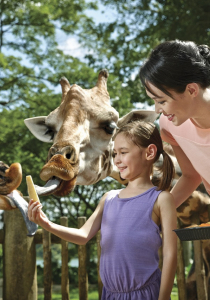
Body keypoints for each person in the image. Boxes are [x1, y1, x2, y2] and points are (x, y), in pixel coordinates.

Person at [139, 39, 210, 300]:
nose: (158, 111)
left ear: (191, 89)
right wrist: (153, 212)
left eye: (161, 101)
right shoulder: (172, 125)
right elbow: (191, 176)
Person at [28, 120, 177, 300]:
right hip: (109, 295)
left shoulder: (161, 199)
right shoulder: (109, 198)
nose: (117, 160)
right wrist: (46, 223)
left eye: (123, 152)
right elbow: (83, 236)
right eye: (115, 153)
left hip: (146, 294)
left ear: (150, 152)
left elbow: (170, 254)